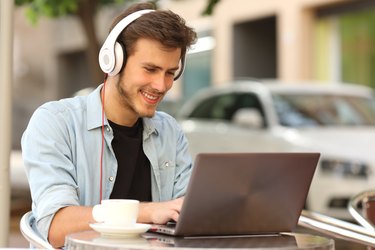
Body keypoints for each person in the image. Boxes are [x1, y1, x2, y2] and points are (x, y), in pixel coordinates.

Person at [21, 2, 197, 248]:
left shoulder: (170, 132)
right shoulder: (55, 123)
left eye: (170, 72)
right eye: (150, 69)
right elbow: (56, 227)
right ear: (113, 60)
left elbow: (187, 214)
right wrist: (146, 212)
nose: (161, 85)